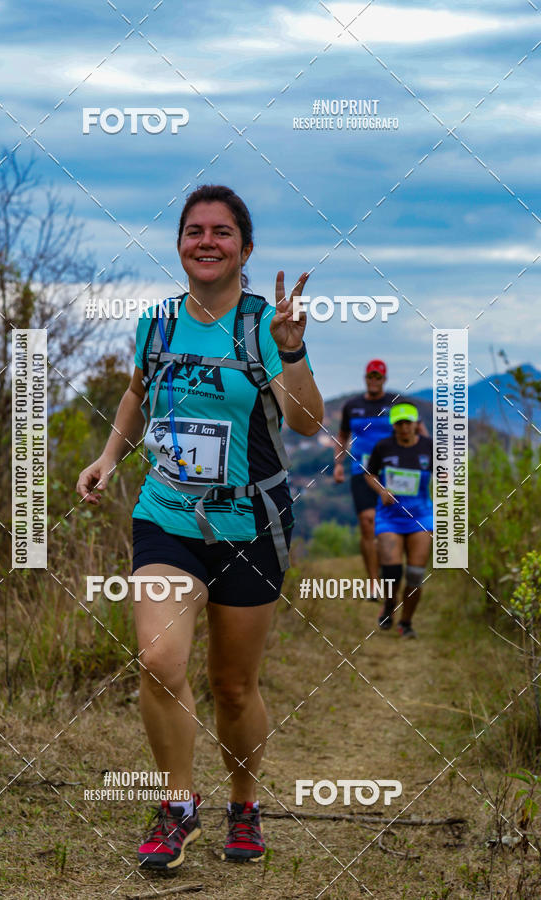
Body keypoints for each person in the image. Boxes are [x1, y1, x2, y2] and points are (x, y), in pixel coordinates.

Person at [76, 184, 324, 870]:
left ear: (246, 248)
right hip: (168, 515)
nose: (206, 241)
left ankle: (244, 804)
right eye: (194, 231)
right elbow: (135, 393)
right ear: (179, 244)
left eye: (221, 232)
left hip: (250, 524)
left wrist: (294, 353)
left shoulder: (263, 327)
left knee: (234, 685)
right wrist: (106, 456)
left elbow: (306, 423)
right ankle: (177, 806)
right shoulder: (156, 323)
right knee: (159, 661)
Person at [333, 361, 427, 599]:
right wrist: (338, 465)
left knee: (396, 522)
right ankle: (374, 583)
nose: (374, 380)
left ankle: (392, 573)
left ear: (384, 379)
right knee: (367, 521)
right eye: (370, 376)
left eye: (378, 377)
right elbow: (342, 435)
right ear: (365, 378)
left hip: (396, 475)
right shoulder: (352, 406)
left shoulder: (397, 403)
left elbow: (421, 433)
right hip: (362, 472)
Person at [364, 403, 433, 638]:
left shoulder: (428, 446)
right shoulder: (384, 447)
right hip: (390, 517)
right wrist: (382, 490)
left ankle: (406, 622)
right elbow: (369, 474)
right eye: (399, 423)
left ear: (416, 423)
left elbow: (446, 472)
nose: (404, 428)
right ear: (394, 425)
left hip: (420, 517)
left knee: (415, 574)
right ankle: (390, 603)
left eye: (408, 422)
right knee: (392, 571)